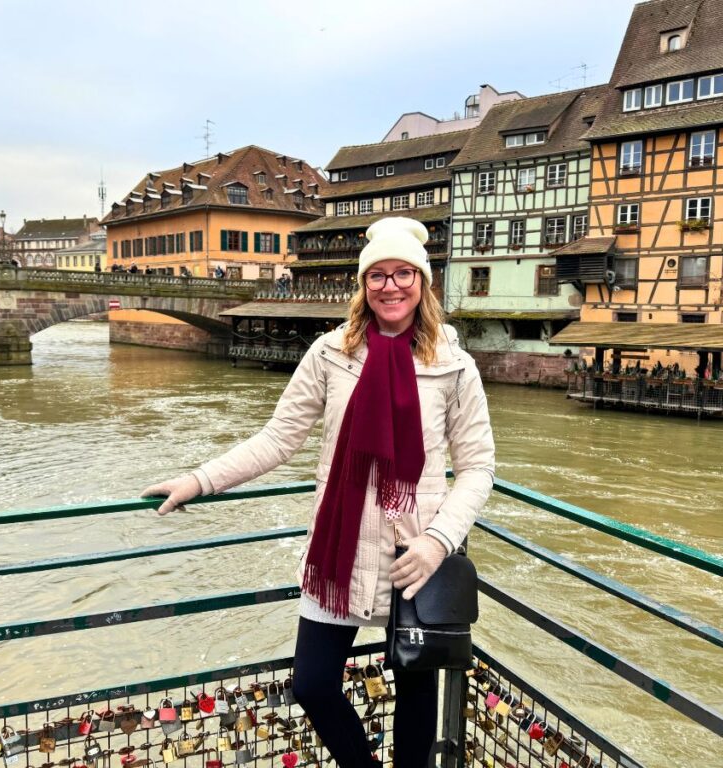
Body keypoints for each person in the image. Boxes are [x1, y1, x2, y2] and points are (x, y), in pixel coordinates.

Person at [142, 217, 495, 768]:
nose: (391, 285)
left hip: (415, 556)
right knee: (312, 685)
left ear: (423, 283)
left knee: (417, 694)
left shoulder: (454, 367)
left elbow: (477, 468)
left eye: (404, 273)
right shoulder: (331, 354)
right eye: (377, 274)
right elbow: (279, 438)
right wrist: (199, 479)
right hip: (340, 551)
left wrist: (439, 541)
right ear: (364, 284)